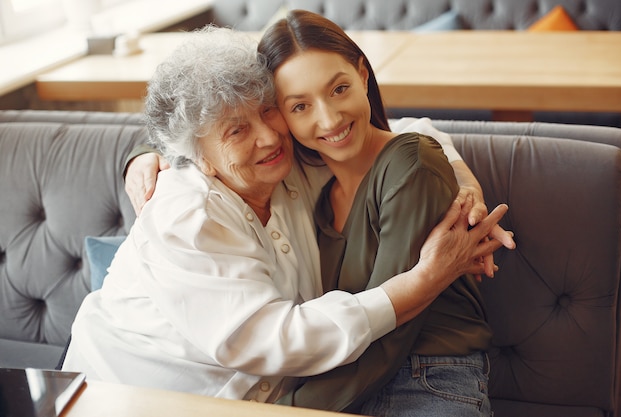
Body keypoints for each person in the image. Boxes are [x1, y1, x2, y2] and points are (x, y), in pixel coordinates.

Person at [62, 26, 511, 404]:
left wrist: (463, 184)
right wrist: (424, 280)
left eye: (267, 111)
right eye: (238, 130)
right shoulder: (186, 213)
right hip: (125, 396)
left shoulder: (286, 167)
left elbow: (405, 137)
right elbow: (271, 338)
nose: (268, 138)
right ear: (197, 157)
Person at [256, 10, 506, 417]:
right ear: (279, 116)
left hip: (429, 380)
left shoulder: (410, 162)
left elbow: (393, 331)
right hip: (347, 379)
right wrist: (144, 155)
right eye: (300, 106)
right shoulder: (314, 194)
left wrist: (285, 410)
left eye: (338, 89)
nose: (329, 118)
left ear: (363, 75)